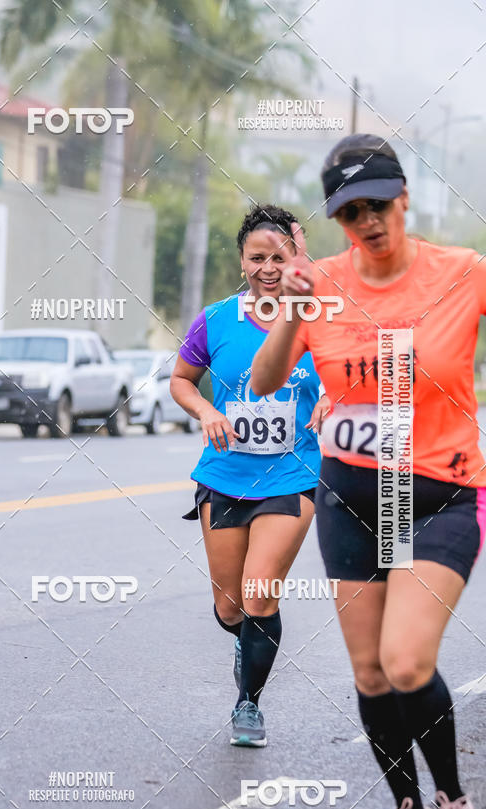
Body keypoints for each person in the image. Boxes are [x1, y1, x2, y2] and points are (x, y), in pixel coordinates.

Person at [251, 134, 486, 809]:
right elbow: (262, 382)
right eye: (350, 211)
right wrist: (291, 309)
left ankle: (454, 807)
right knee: (370, 673)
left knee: (407, 661)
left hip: (440, 493)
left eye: (378, 204)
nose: (368, 221)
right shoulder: (316, 281)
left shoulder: (463, 274)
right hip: (352, 495)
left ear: (403, 198)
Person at [170, 203, 329, 747]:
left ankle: (248, 704)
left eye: (279, 256)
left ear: (295, 257)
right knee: (230, 606)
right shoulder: (215, 320)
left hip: (291, 475)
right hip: (224, 475)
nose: (267, 267)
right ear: (242, 262)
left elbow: (353, 371)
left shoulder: (318, 313)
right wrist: (207, 411)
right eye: (256, 257)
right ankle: (249, 639)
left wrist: (332, 399)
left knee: (260, 597)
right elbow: (182, 381)